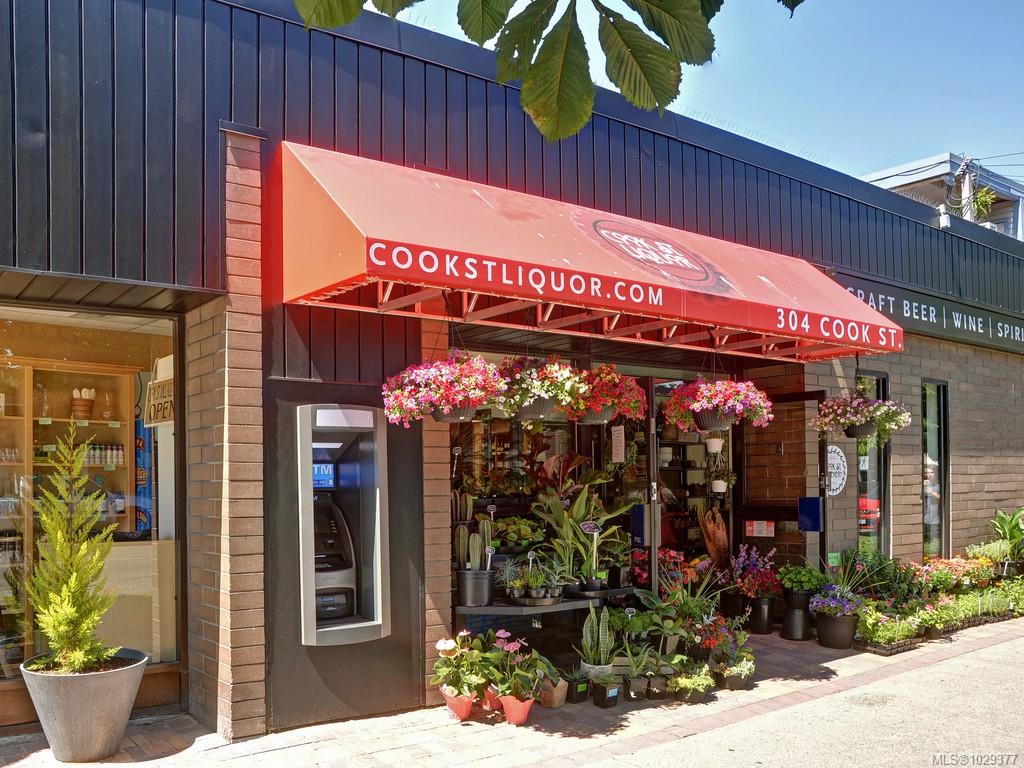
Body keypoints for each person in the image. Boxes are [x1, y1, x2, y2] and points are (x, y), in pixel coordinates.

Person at [922, 459, 941, 557]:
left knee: (934, 539)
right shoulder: (926, 484)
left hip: (936, 516)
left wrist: (931, 492)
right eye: (926, 473)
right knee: (926, 540)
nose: (928, 475)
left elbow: (943, 498)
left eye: (931, 472)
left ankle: (935, 555)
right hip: (926, 514)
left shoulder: (939, 485)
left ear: (935, 473)